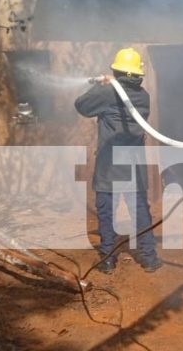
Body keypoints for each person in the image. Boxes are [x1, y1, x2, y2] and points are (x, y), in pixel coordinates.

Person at [75, 47, 162, 274]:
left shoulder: (107, 93)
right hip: (133, 164)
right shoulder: (143, 96)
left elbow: (81, 106)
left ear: (117, 70)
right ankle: (149, 258)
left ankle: (107, 258)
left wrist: (100, 85)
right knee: (140, 211)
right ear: (137, 74)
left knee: (106, 212)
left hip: (109, 164)